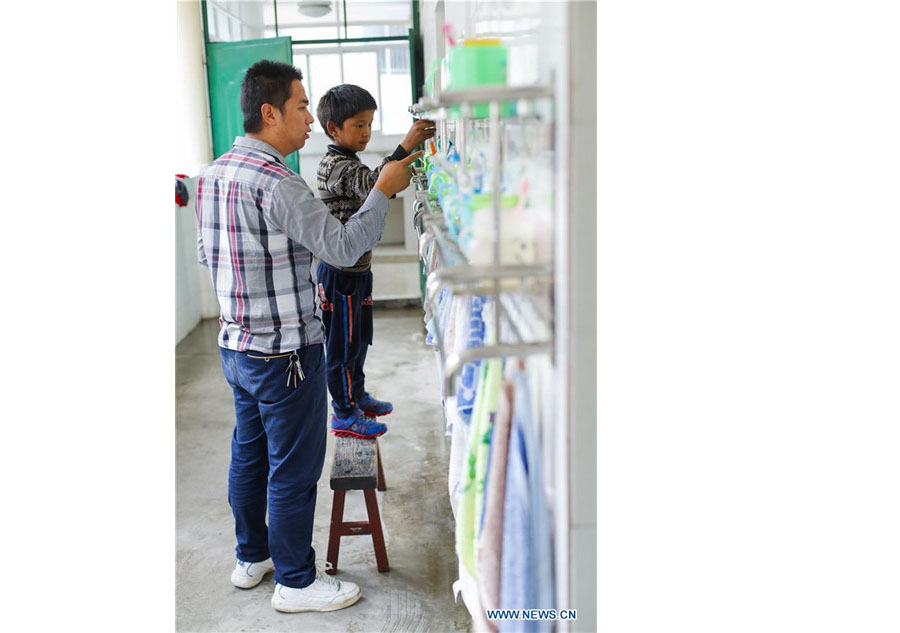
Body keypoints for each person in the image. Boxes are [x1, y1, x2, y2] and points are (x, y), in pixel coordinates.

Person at [194, 60, 421, 614]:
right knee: (293, 469)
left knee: (250, 455)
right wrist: (384, 192)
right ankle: (295, 582)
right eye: (301, 108)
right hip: (286, 353)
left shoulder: (213, 173)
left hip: (236, 346)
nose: (309, 121)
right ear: (269, 113)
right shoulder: (279, 183)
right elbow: (342, 250)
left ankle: (253, 557)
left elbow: (209, 257)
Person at [314, 84, 435, 438]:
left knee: (359, 339)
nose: (366, 133)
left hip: (359, 271)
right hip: (339, 275)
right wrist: (406, 144)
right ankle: (343, 413)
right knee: (341, 346)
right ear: (333, 129)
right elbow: (374, 185)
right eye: (358, 125)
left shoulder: (348, 159)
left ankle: (357, 395)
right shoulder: (331, 166)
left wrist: (403, 151)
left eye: (370, 124)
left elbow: (376, 181)